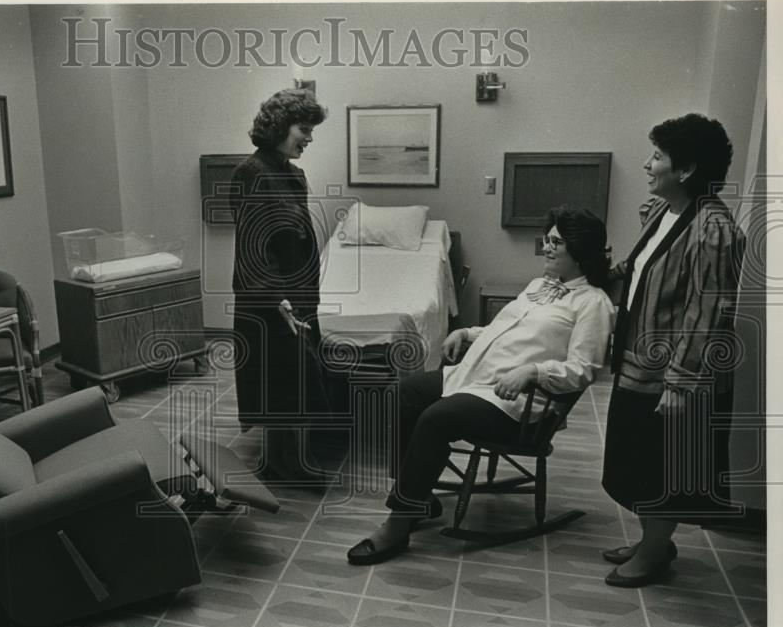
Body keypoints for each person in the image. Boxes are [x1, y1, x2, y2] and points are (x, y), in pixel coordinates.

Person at [347, 205, 615, 565]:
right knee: (402, 394)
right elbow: (507, 330)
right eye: (547, 239)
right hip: (476, 378)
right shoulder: (539, 287)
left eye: (556, 242)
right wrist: (467, 332)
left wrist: (534, 372)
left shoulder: (593, 303)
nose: (546, 247)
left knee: (436, 418)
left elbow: (584, 369)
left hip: (515, 404)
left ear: (580, 252)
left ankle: (397, 524)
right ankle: (418, 496)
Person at [602, 114, 744, 587]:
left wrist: (682, 385)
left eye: (657, 156)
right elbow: (639, 269)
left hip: (675, 376)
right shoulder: (664, 212)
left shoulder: (712, 228)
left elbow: (710, 313)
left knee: (662, 469)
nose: (647, 164)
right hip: (641, 366)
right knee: (639, 464)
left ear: (685, 169)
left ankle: (655, 552)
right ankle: (652, 542)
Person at [230, 88, 332, 485]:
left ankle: (289, 459)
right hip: (269, 297)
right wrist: (280, 300)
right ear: (278, 127)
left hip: (298, 294)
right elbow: (253, 247)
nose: (309, 138)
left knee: (297, 379)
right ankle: (285, 463)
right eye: (303, 129)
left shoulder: (294, 174)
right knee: (281, 379)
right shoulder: (251, 173)